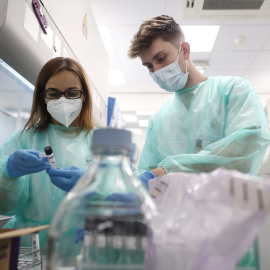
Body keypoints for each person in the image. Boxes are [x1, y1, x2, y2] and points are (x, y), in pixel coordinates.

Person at [129, 15, 270, 188]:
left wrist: (169, 170)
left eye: (161, 58)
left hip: (228, 211)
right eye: (149, 66)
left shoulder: (233, 91)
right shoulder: (158, 121)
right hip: (174, 214)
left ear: (185, 51)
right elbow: (148, 176)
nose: (156, 70)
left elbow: (246, 150)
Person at [0, 57, 94, 250]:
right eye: (53, 93)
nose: (63, 100)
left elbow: (117, 206)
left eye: (71, 93)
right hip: (28, 249)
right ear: (43, 96)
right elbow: (5, 206)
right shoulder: (24, 139)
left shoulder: (101, 143)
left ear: (83, 95)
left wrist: (89, 188)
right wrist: (7, 171)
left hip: (78, 249)